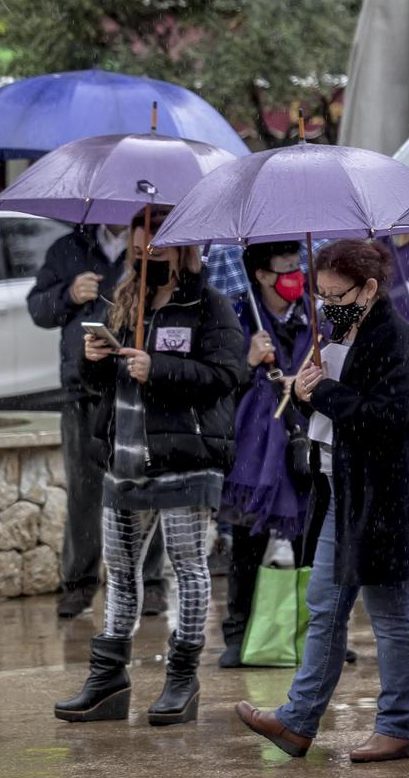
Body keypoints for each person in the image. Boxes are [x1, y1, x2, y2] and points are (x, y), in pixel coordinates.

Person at [235, 240, 409, 762]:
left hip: (383, 498)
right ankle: (298, 720)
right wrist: (304, 397)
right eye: (319, 294)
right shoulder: (334, 333)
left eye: (335, 294)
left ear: (369, 289)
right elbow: (329, 419)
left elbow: (385, 419)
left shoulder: (394, 338)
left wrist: (322, 393)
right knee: (324, 606)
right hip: (338, 492)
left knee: (389, 614)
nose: (325, 304)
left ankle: (397, 726)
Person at [53, 212, 243, 725]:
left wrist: (158, 369)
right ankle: (108, 678)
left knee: (186, 566)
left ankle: (183, 677)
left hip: (185, 459)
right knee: (121, 573)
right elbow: (100, 387)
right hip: (125, 458)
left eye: (159, 248)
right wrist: (95, 359)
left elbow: (228, 374)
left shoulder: (208, 304)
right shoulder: (125, 301)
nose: (148, 255)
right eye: (141, 251)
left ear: (184, 251)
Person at [26, 221, 170, 620]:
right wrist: (69, 294)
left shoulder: (149, 246)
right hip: (80, 391)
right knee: (84, 493)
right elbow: (39, 309)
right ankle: (79, 583)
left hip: (133, 388)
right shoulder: (67, 249)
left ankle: (152, 582)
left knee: (145, 486)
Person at [217, 241, 315, 667]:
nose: (295, 275)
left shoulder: (317, 314)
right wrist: (247, 358)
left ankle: (317, 634)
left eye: (298, 266)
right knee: (247, 542)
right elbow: (219, 382)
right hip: (254, 448)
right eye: (285, 268)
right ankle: (238, 636)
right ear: (260, 274)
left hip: (306, 438)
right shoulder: (236, 316)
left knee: (311, 543)